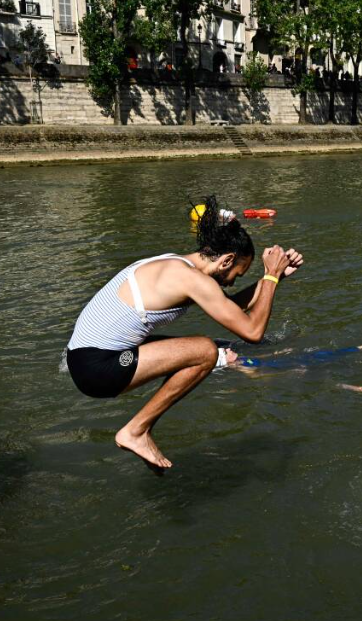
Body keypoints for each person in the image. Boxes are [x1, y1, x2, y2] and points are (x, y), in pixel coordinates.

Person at [65, 194, 304, 472]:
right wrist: (270, 277)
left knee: (215, 346)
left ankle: (138, 432)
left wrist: (275, 277)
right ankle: (135, 431)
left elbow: (232, 308)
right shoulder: (191, 279)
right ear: (226, 260)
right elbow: (252, 331)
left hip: (86, 358)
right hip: (96, 368)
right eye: (237, 275)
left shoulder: (179, 266)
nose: (234, 281)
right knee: (206, 351)